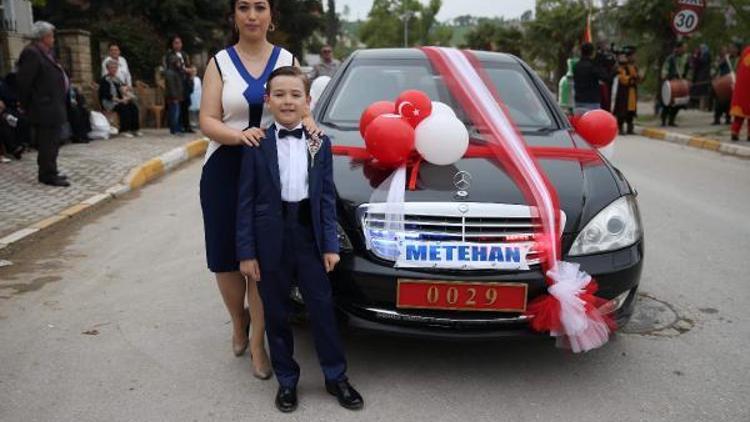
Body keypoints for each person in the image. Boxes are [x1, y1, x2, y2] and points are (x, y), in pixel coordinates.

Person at [198, 0, 323, 390]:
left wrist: (312, 125)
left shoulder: (287, 57)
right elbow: (207, 120)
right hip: (224, 168)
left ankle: (257, 345)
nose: (252, 15)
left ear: (271, 15)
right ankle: (240, 320)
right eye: (243, 7)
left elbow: (300, 104)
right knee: (226, 258)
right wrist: (240, 136)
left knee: (264, 258)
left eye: (260, 7)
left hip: (272, 170)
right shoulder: (219, 62)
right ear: (234, 16)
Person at [237, 66, 363, 413]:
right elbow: (245, 203)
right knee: (277, 313)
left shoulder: (319, 143)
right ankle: (287, 380)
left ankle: (336, 377)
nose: (287, 101)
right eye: (279, 94)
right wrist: (247, 253)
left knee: (322, 309)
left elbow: (324, 198)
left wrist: (330, 245)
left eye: (295, 95)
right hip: (269, 240)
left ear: (307, 101)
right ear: (268, 100)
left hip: (308, 234)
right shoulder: (255, 144)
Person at [17, 21, 70, 187]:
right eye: (51, 36)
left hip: (53, 105)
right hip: (44, 107)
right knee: (47, 142)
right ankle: (47, 175)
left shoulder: (47, 52)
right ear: (43, 37)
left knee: (54, 142)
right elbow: (24, 82)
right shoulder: (32, 53)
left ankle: (51, 170)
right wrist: (29, 104)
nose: (53, 39)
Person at [99, 59, 141, 138]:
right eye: (112, 68)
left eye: (115, 68)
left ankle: (134, 129)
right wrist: (121, 100)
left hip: (118, 100)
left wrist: (129, 94)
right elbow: (107, 96)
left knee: (133, 106)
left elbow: (122, 88)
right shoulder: (105, 80)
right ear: (107, 69)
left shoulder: (117, 79)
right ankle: (124, 130)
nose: (114, 69)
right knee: (124, 107)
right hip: (109, 102)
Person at [660, 41, 691, 127]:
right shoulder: (671, 58)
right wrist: (664, 76)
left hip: (680, 82)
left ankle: (671, 120)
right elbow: (665, 68)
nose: (684, 49)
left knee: (677, 103)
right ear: (678, 48)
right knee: (667, 103)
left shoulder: (686, 58)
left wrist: (688, 79)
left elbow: (689, 69)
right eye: (683, 47)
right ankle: (663, 120)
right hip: (671, 82)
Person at [573, 42, 607, 115]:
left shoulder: (577, 66)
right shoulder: (593, 67)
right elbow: (605, 77)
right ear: (592, 53)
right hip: (592, 102)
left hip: (578, 102)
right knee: (592, 124)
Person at [164, 36, 187, 135]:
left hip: (178, 92)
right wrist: (174, 96)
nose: (179, 64)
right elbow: (171, 86)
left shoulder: (177, 73)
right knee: (174, 110)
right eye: (176, 43)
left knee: (177, 110)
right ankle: (174, 129)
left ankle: (177, 128)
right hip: (173, 94)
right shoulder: (169, 72)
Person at [613, 47, 639, 135]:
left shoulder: (634, 67)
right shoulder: (622, 67)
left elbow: (637, 78)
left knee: (631, 110)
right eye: (633, 56)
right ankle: (620, 128)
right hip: (624, 92)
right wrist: (631, 79)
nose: (634, 57)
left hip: (632, 92)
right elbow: (623, 79)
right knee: (622, 110)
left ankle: (630, 128)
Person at [730, 45, 750, 142]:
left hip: (741, 86)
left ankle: (734, 132)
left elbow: (739, 67)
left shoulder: (746, 50)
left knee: (739, 113)